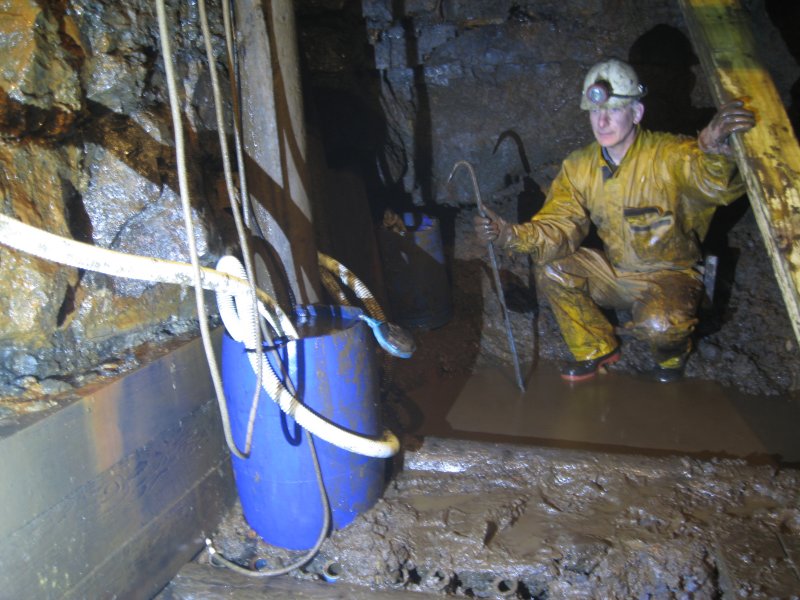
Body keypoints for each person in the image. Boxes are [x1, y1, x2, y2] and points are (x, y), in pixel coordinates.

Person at [474, 58, 755, 383]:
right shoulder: (580, 166)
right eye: (595, 111)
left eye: (614, 110)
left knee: (661, 325)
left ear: (636, 113)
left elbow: (714, 186)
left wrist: (713, 147)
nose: (602, 121)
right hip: (616, 273)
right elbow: (559, 227)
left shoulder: (670, 154)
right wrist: (508, 234)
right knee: (553, 267)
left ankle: (671, 358)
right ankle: (595, 348)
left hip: (671, 276)